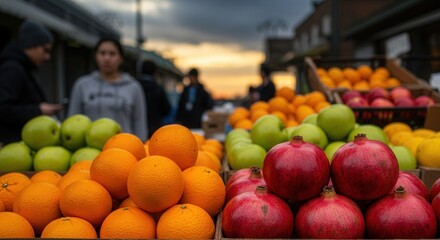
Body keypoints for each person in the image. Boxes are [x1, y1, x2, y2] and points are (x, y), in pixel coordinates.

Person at [67, 37, 147, 140]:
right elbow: (72, 120)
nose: (107, 58)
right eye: (102, 53)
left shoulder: (133, 87)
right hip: (89, 150)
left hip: (123, 150)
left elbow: (139, 123)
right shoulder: (82, 85)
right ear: (96, 56)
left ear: (121, 58)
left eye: (112, 54)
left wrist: (141, 146)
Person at [0, 20, 62, 145]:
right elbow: (3, 108)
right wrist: (38, 110)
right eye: (45, 50)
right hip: (13, 146)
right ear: (31, 45)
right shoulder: (13, 69)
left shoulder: (22, 67)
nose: (47, 57)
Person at [137, 59, 171, 138]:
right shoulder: (158, 88)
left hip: (135, 130)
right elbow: (166, 109)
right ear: (155, 72)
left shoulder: (134, 86)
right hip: (154, 128)